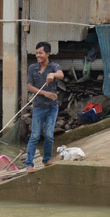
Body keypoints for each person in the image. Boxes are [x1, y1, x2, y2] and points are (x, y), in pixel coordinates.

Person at [25, 41, 64, 171]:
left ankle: (46, 160)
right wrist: (45, 93)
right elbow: (29, 86)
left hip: (52, 107)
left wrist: (53, 74)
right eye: (37, 53)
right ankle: (29, 164)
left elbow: (61, 74)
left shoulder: (54, 66)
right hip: (38, 107)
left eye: (40, 53)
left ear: (48, 53)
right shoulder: (32, 68)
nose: (38, 55)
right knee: (35, 135)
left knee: (48, 135)